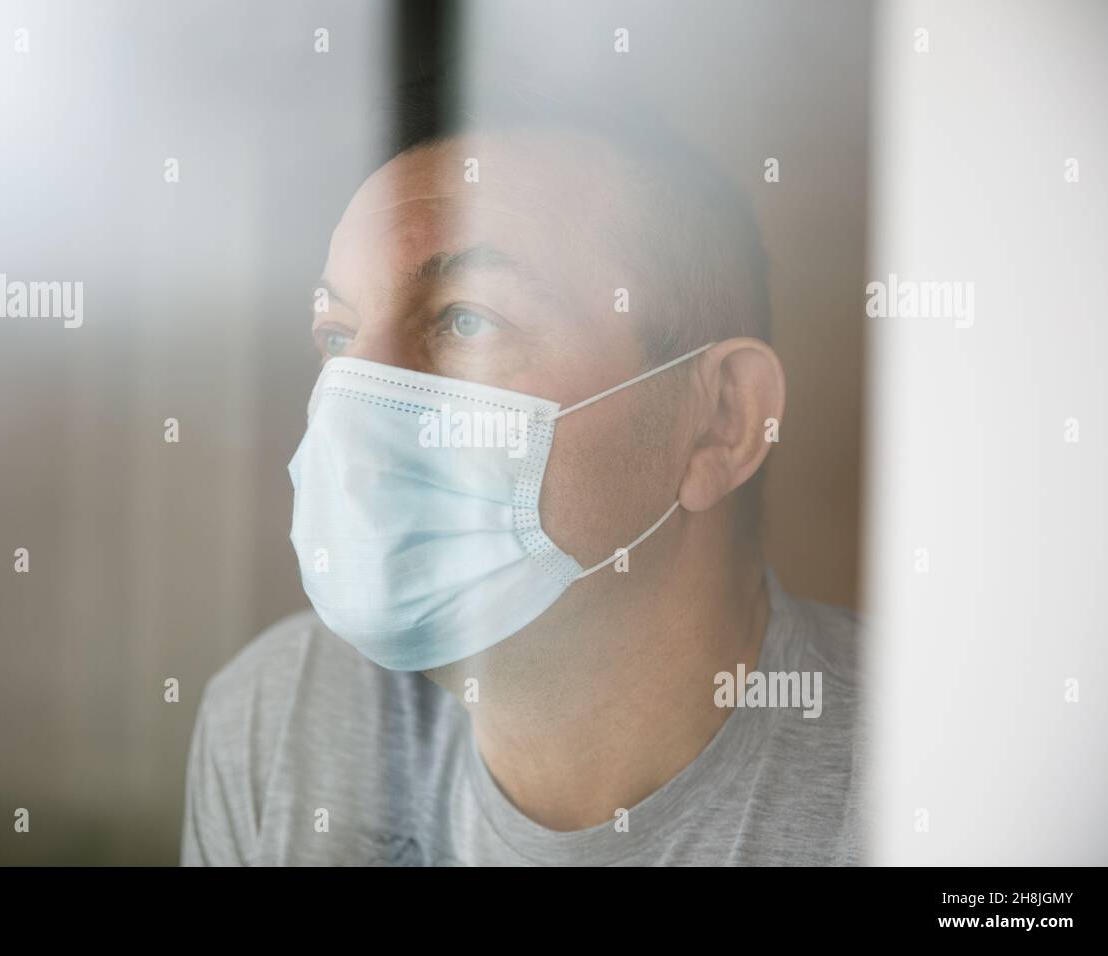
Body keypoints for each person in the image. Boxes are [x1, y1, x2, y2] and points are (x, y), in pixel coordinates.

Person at [182, 70, 865, 866]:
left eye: (466, 319)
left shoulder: (937, 775)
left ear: (721, 421)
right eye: (339, 337)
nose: (356, 408)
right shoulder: (280, 719)